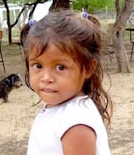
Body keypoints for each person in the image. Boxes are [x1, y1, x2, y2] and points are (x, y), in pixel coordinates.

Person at [21, 10, 112, 155]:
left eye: (60, 67)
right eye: (38, 66)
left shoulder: (76, 123)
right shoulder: (60, 110)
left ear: (88, 68)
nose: (46, 78)